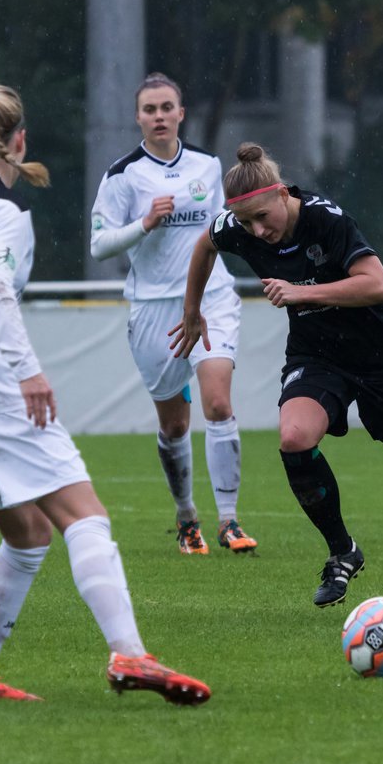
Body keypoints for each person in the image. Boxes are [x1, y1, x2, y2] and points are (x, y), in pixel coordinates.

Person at [0, 83, 210, 704]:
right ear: (19, 141)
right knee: (84, 514)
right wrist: (26, 372)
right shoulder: (1, 211)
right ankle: (131, 655)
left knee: (29, 535)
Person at [171, 143, 383, 617]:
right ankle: (342, 550)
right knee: (293, 437)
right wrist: (192, 310)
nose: (258, 231)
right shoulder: (238, 226)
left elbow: (378, 284)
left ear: (283, 194)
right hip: (317, 354)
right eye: (247, 224)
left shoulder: (325, 219)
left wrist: (303, 291)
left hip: (382, 358)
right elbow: (205, 243)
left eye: (264, 217)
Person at [90, 73, 256, 557]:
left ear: (181, 113)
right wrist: (144, 224)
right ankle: (187, 518)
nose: (159, 116)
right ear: (138, 117)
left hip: (211, 295)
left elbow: (229, 229)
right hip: (153, 308)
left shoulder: (207, 166)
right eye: (149, 109)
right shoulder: (122, 175)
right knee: (174, 426)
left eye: (167, 107)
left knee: (219, 404)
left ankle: (229, 521)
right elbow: (99, 246)